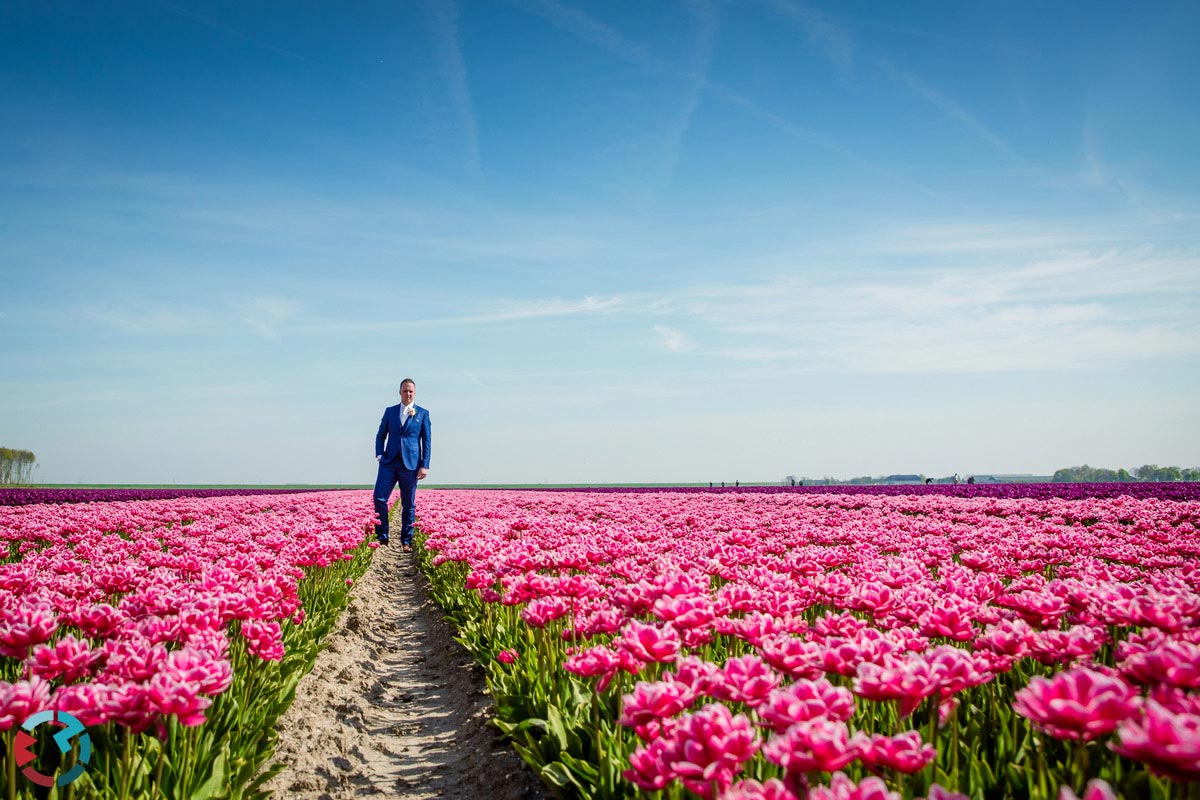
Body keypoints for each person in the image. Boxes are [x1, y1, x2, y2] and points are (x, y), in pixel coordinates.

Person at [374, 378, 431, 551]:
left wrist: (425, 465)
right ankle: (383, 537)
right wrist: (379, 454)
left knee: (409, 503)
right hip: (389, 462)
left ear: (415, 393)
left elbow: (427, 441)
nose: (408, 394)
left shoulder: (422, 413)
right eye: (405, 390)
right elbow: (380, 435)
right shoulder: (390, 411)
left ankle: (406, 541)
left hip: (411, 464)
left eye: (411, 391)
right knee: (379, 497)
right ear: (400, 392)